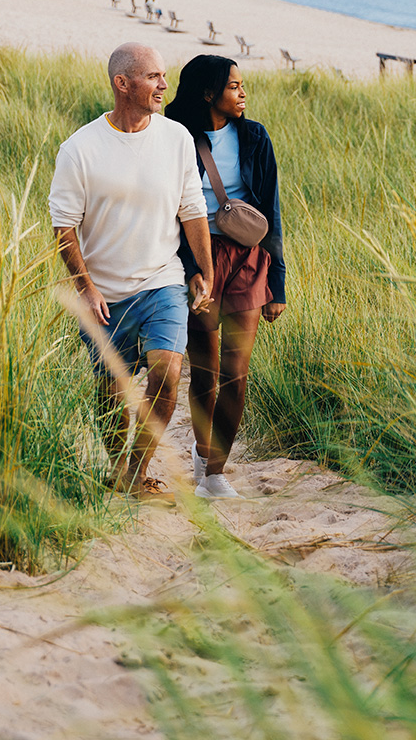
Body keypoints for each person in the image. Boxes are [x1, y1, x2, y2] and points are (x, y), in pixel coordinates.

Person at [51, 43, 215, 498]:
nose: (165, 85)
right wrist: (85, 287)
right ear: (122, 84)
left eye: (165, 76)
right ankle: (115, 460)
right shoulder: (79, 149)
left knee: (167, 373)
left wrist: (204, 269)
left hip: (162, 280)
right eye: (154, 77)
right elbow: (64, 225)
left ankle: (135, 472)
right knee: (110, 390)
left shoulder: (177, 138)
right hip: (103, 293)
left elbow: (192, 207)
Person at [165, 55, 287, 500]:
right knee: (206, 370)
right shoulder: (177, 138)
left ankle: (214, 472)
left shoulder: (255, 136)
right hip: (199, 258)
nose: (243, 93)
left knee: (237, 372)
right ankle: (201, 450)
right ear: (207, 93)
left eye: (242, 85)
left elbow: (271, 211)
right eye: (234, 86)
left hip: (251, 258)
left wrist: (278, 284)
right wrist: (192, 267)